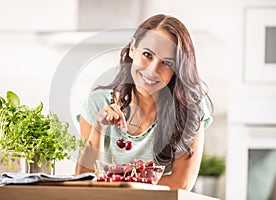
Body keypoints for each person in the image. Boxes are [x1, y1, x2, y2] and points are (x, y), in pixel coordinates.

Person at [75, 14, 213, 190]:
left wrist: (121, 189)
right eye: (147, 54)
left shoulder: (190, 107)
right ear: (133, 48)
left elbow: (181, 183)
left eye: (167, 63)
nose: (152, 70)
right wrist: (99, 129)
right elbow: (82, 182)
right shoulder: (97, 103)